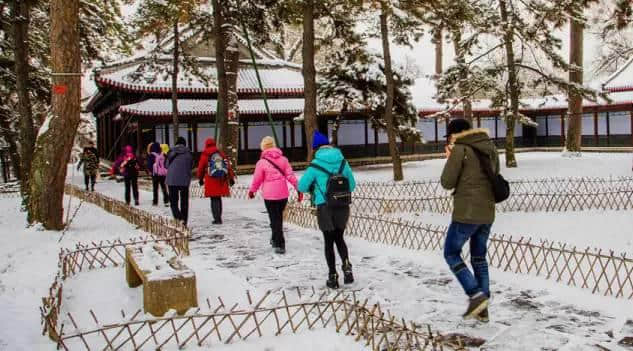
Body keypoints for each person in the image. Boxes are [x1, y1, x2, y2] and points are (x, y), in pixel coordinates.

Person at [440, 118, 500, 322]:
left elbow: (447, 182)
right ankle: (482, 309)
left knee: (451, 252)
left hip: (467, 212)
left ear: (455, 134)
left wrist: (451, 159)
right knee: (479, 258)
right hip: (487, 212)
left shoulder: (461, 149)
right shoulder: (490, 147)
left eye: (449, 136)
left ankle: (475, 294)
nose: (448, 141)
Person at [298, 131, 356, 289]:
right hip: (342, 206)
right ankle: (347, 267)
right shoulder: (343, 161)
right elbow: (352, 185)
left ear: (316, 148)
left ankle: (333, 276)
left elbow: (301, 186)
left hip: (325, 207)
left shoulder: (315, 165)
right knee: (340, 237)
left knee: (328, 241)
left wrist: (316, 187)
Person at [248, 136, 301, 254]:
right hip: (283, 194)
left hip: (269, 195)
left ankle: (280, 243)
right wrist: (298, 189)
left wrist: (253, 190)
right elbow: (290, 176)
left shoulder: (261, 163)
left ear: (263, 147)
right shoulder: (284, 160)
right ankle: (274, 238)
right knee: (278, 217)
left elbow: (257, 179)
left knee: (274, 218)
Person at [197, 138, 235, 224]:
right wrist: (231, 178)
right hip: (221, 178)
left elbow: (201, 168)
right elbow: (227, 166)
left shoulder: (205, 154)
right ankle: (219, 217)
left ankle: (217, 219)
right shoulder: (220, 153)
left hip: (211, 179)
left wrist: (200, 178)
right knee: (218, 198)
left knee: (214, 199)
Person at [166, 137, 193, 225]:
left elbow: (166, 165)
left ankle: (178, 217)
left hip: (172, 179)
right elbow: (191, 165)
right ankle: (184, 220)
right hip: (184, 179)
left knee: (173, 201)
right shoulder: (188, 153)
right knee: (184, 200)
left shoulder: (171, 152)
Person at [147, 142, 170, 207]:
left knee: (155, 188)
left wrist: (151, 171)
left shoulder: (151, 155)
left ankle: (155, 201)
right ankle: (166, 200)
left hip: (155, 174)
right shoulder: (162, 154)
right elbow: (166, 163)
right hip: (162, 174)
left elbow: (149, 165)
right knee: (163, 187)